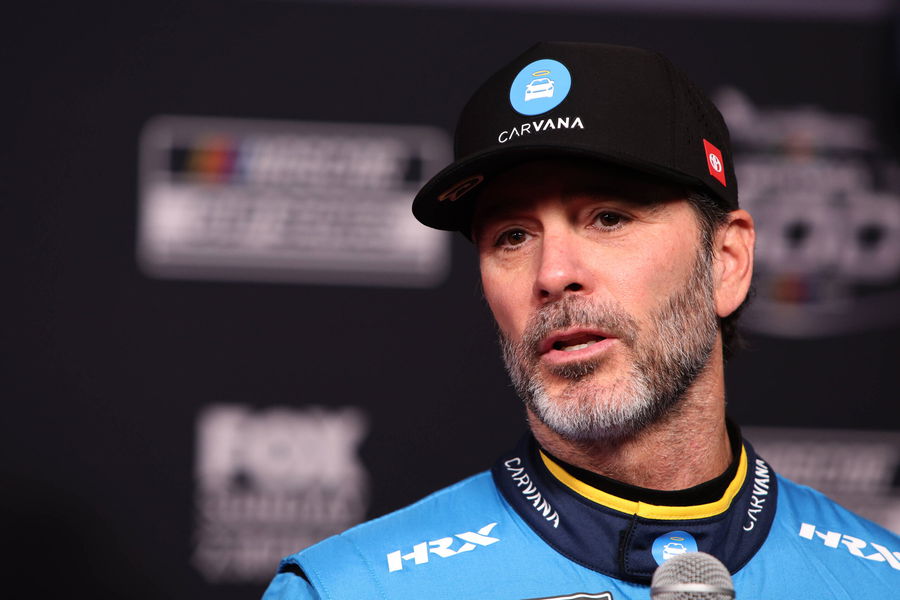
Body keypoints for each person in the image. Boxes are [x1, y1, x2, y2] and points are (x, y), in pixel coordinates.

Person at [263, 42, 900, 599]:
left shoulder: (879, 580)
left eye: (608, 218)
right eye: (513, 236)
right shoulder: (350, 589)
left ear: (726, 262)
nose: (553, 273)